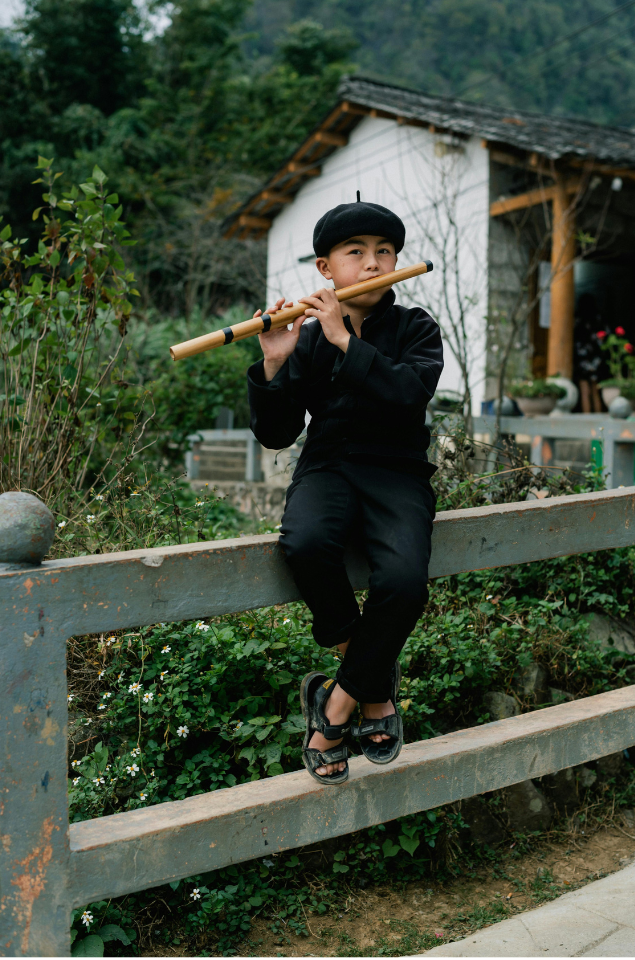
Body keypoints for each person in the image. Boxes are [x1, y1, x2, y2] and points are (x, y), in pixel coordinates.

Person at [247, 197, 444, 785]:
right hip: (328, 467)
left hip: (397, 470)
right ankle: (374, 689)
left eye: (384, 251)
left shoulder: (416, 328)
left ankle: (333, 708)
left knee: (405, 582)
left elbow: (409, 394)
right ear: (325, 269)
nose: (373, 262)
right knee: (305, 545)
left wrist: (344, 341)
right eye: (355, 252)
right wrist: (276, 363)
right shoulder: (304, 337)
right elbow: (278, 435)